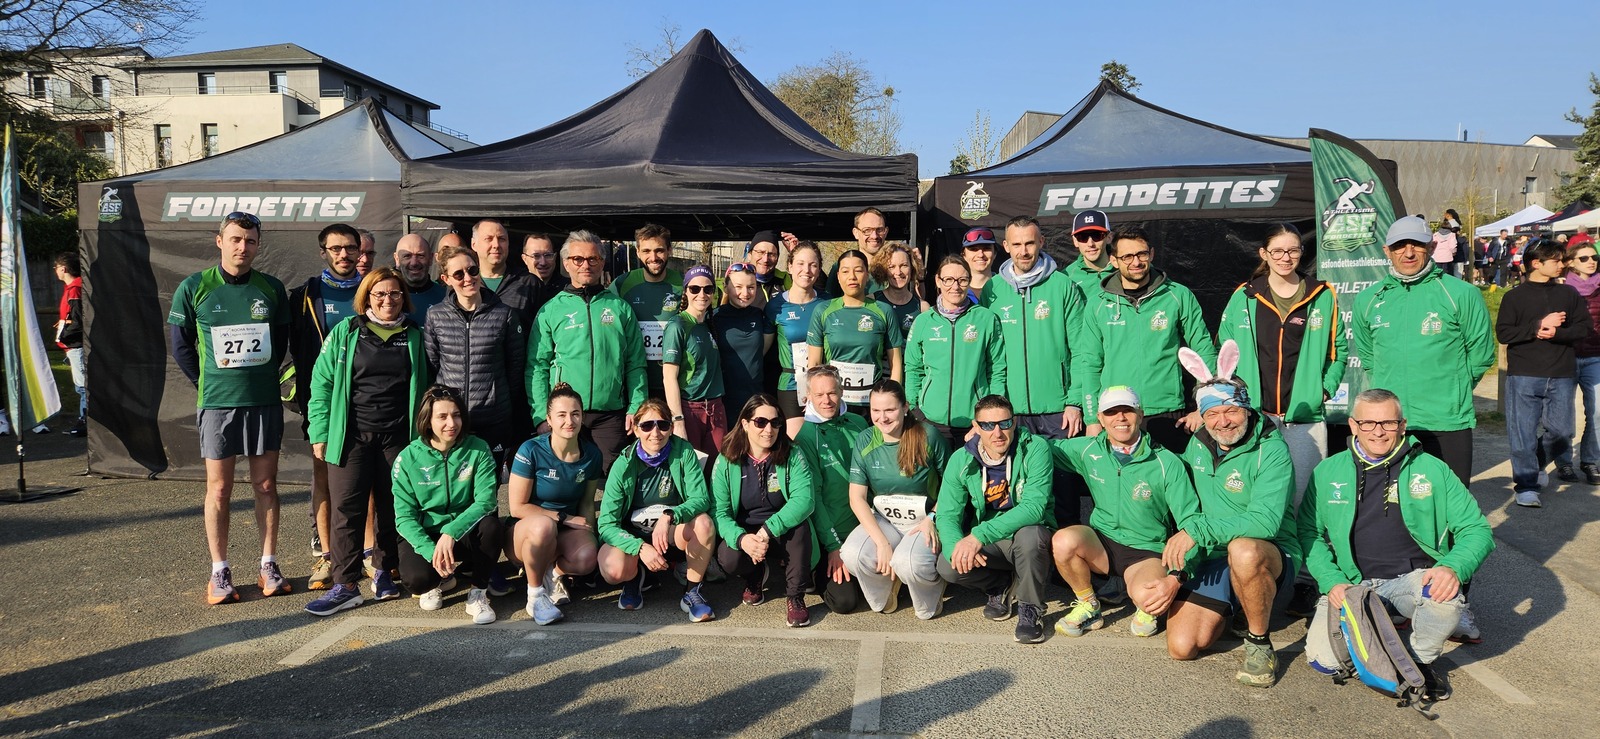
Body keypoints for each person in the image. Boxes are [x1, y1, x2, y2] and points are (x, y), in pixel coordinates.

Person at [1298, 388, 1495, 703]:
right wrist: (1331, 581)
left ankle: (1419, 661)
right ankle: (1381, 631)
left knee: (1444, 596)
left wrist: (1452, 567)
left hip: (1410, 580)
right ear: (1353, 425)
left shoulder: (1432, 469)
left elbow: (1477, 530)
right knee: (1326, 661)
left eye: (1388, 423)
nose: (1378, 432)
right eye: (1368, 423)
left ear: (1402, 426)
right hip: (1352, 585)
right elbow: (1308, 532)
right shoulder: (1328, 471)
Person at [168, 211, 292, 605]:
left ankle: (268, 564)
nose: (243, 247)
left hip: (263, 402)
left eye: (250, 241)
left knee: (266, 485)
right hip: (218, 405)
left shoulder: (271, 288)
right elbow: (180, 345)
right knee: (219, 489)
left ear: (258, 245)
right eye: (236, 239)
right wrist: (207, 383)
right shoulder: (194, 287)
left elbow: (280, 343)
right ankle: (219, 570)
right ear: (219, 241)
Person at [303, 268, 430, 615]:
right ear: (367, 298)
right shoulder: (346, 332)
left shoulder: (414, 335)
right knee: (347, 509)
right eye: (380, 294)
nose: (388, 300)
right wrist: (320, 433)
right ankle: (345, 585)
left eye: (395, 293)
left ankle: (384, 572)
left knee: (392, 506)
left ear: (404, 297)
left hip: (399, 437)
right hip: (351, 436)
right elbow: (322, 384)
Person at [1169, 373, 1300, 688]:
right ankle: (1240, 604)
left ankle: (1259, 642)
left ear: (1247, 409)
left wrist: (1197, 531)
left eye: (1231, 411)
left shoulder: (1272, 450)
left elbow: (1265, 522)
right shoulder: (1198, 443)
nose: (1223, 422)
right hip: (1213, 555)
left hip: (1267, 554)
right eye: (1212, 413)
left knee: (1243, 550)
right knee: (1182, 647)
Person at [1048, 386, 1200, 641]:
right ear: (1100, 418)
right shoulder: (1089, 450)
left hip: (1145, 551)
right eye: (1111, 412)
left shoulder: (1167, 463)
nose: (1120, 418)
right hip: (1102, 544)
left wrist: (1178, 575)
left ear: (1140, 414)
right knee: (1063, 541)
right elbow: (1040, 448)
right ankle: (1089, 605)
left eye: (1127, 410)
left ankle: (1140, 596)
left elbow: (1191, 523)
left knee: (1148, 599)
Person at [1352, 215, 1494, 486]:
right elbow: (1369, 357)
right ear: (1387, 251)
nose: (1408, 253)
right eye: (1399, 246)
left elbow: (1481, 353)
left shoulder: (1461, 293)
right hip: (1390, 423)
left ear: (1431, 247)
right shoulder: (1368, 299)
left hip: (1446, 420)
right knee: (1393, 502)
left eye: (1416, 244)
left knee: (1450, 500)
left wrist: (1454, 390)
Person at [1216, 224, 1346, 496]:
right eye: (1277, 251)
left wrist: (1322, 390)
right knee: (1256, 494)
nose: (1285, 258)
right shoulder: (1245, 295)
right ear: (1264, 254)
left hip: (1304, 416)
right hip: (1255, 415)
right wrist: (1237, 396)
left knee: (1304, 496)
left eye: (1293, 250)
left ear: (1301, 252)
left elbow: (1337, 352)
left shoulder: (1322, 295)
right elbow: (1225, 350)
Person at [980, 214, 1089, 526]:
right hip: (1011, 411)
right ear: (1005, 246)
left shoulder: (1063, 286)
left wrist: (1075, 401)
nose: (1024, 251)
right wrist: (997, 406)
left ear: (1041, 242)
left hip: (1058, 410)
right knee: (1018, 489)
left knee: (1064, 491)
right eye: (1017, 244)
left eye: (1030, 243)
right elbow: (990, 355)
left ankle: (1067, 550)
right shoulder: (993, 290)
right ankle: (1026, 550)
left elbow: (1082, 350)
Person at [1080, 225, 1217, 453]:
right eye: (1127, 256)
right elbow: (1090, 364)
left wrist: (1205, 405)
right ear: (1114, 260)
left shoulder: (1177, 295)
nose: (1136, 262)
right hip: (1118, 413)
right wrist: (1092, 419)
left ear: (1151, 254)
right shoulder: (1098, 304)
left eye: (1141, 254)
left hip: (1167, 411)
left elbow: (1203, 351)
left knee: (1172, 475)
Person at [936, 394, 1056, 643]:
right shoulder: (961, 459)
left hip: (1026, 534)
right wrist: (958, 547)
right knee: (948, 564)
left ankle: (1030, 608)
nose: (998, 432)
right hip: (992, 540)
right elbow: (947, 515)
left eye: (1004, 423)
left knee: (1031, 536)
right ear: (976, 426)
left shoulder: (1035, 448)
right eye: (988, 425)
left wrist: (978, 536)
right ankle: (999, 584)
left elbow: (1034, 508)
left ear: (1014, 422)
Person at [529, 230, 647, 470]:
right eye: (578, 259)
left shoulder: (620, 308)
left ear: (602, 262)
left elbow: (635, 363)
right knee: (566, 480)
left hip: (610, 415)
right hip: (565, 415)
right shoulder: (550, 310)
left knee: (612, 481)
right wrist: (541, 415)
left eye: (593, 259)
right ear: (566, 263)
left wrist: (636, 406)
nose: (585, 265)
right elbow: (537, 366)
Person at [289, 223, 364, 591]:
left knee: (368, 479)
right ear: (323, 252)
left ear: (359, 251)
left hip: (367, 400)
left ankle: (368, 553)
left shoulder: (373, 289)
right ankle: (327, 555)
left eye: (350, 247)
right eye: (336, 249)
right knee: (324, 477)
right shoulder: (305, 295)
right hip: (323, 402)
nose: (343, 254)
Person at [390, 385, 504, 624]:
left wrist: (451, 532)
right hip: (428, 535)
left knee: (492, 527)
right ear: (427, 420)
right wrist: (432, 552)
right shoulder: (407, 458)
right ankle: (437, 581)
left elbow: (486, 501)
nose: (451, 423)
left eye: (456, 415)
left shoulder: (478, 448)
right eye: (442, 417)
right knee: (417, 581)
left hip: (461, 532)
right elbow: (404, 517)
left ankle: (478, 593)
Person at [595, 399, 718, 621]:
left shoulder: (684, 452)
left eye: (662, 425)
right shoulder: (623, 464)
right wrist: (640, 547)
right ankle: (634, 578)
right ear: (635, 429)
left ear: (671, 428)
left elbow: (701, 499)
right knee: (613, 569)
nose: (655, 433)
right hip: (634, 537)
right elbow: (606, 524)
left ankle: (692, 592)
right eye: (646, 426)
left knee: (704, 523)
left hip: (670, 533)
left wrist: (670, 515)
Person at [841, 380, 951, 620]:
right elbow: (857, 497)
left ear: (905, 407)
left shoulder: (928, 435)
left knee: (910, 566)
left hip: (925, 521)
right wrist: (882, 543)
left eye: (890, 410)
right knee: (852, 554)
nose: (882, 418)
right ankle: (888, 586)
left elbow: (952, 485)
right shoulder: (865, 439)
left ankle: (932, 587)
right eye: (876, 410)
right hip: (886, 520)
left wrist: (933, 517)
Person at [1496, 239, 1592, 507]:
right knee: (1522, 434)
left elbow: (1584, 328)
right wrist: (1537, 326)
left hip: (1561, 373)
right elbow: (1504, 333)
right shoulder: (1514, 297)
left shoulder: (1569, 294)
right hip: (1524, 374)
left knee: (1562, 432)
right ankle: (1526, 485)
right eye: (1556, 260)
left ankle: (1537, 462)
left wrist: (1556, 333)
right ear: (1537, 263)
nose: (1562, 265)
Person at [712, 395, 818, 628]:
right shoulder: (726, 459)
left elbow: (805, 501)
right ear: (745, 423)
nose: (769, 429)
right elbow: (719, 513)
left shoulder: (793, 453)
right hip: (747, 531)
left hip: (780, 528)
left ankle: (795, 596)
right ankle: (754, 575)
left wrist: (768, 530)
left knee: (799, 528)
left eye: (775, 422)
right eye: (760, 422)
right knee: (728, 557)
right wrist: (742, 539)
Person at [424, 243, 526, 474]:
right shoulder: (435, 315)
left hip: (494, 417)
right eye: (459, 274)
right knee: (453, 481)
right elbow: (432, 365)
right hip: (451, 419)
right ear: (446, 279)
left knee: (489, 482)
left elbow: (515, 367)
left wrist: (498, 399)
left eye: (472, 270)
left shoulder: (504, 314)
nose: (468, 278)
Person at [507, 383, 605, 625]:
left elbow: (587, 503)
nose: (569, 421)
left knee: (588, 557)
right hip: (525, 533)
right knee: (544, 526)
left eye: (575, 414)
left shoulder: (592, 454)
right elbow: (517, 507)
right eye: (561, 415)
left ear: (582, 417)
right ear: (549, 420)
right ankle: (535, 596)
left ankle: (552, 574)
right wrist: (564, 517)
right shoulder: (530, 449)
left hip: (563, 532)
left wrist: (592, 535)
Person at [791, 364, 871, 613]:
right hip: (833, 534)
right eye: (819, 394)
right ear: (808, 396)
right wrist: (833, 547)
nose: (827, 400)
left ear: (842, 391)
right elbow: (813, 499)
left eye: (832, 393)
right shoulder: (806, 437)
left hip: (865, 526)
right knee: (845, 603)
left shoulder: (859, 423)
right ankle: (813, 575)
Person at [905, 255, 1007, 446]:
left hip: (974, 422)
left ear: (969, 281)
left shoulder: (986, 319)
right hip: (930, 420)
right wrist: (914, 409)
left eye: (962, 280)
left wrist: (990, 415)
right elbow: (913, 368)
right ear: (938, 281)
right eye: (949, 280)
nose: (955, 286)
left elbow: (997, 369)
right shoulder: (923, 321)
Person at [806, 249, 904, 411]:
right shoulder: (823, 311)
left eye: (858, 270)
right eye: (845, 271)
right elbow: (814, 364)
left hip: (872, 405)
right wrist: (812, 399)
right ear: (838, 276)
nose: (852, 276)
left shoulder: (884, 311)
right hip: (833, 403)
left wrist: (893, 401)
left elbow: (896, 364)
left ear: (867, 275)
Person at [610, 223, 683, 401]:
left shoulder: (684, 284)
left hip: (676, 384)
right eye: (646, 251)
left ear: (669, 250)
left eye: (659, 250)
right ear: (637, 252)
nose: (653, 257)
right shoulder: (622, 284)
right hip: (635, 386)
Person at [662, 265, 728, 455]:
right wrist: (678, 420)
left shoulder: (709, 324)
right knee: (691, 467)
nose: (702, 294)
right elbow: (669, 377)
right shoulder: (677, 325)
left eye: (708, 289)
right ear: (686, 291)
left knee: (717, 466)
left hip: (715, 408)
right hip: (690, 409)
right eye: (695, 289)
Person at [768, 241, 828, 433]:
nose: (806, 270)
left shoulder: (828, 303)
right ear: (790, 267)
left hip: (824, 385)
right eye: (800, 264)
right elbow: (761, 350)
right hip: (791, 384)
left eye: (813, 265)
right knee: (796, 442)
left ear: (819, 270)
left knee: (824, 441)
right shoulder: (775, 306)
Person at [1558, 241, 1600, 485]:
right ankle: (1564, 461)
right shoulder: (1561, 289)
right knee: (1563, 414)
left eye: (1594, 257)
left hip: (1595, 356)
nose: (1591, 262)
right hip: (1566, 356)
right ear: (1571, 262)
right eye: (1584, 258)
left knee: (1597, 412)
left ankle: (1590, 460)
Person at [713, 263, 774, 423]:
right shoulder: (715, 318)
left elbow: (761, 352)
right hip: (724, 399)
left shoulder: (760, 316)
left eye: (751, 287)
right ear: (726, 287)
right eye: (738, 287)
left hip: (755, 398)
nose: (745, 293)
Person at [471, 219, 539, 330]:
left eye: (501, 239)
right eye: (489, 239)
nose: (496, 245)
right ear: (474, 244)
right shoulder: (465, 283)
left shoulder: (529, 283)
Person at [52, 252, 86, 436]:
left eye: (56, 267)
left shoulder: (75, 289)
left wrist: (64, 336)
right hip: (74, 344)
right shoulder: (75, 288)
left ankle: (85, 421)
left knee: (82, 386)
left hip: (76, 345)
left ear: (63, 269)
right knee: (81, 385)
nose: (55, 271)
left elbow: (78, 321)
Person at [826, 207, 890, 295]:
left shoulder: (895, 267)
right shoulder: (842, 266)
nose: (874, 236)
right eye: (867, 230)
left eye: (879, 230)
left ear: (886, 232)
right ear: (855, 233)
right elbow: (829, 300)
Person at [871, 244, 928, 336]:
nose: (898, 272)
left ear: (912, 267)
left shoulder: (923, 308)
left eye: (904, 265)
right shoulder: (872, 302)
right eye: (891, 267)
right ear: (883, 270)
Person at [393, 233, 448, 324]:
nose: (414, 263)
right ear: (397, 259)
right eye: (407, 256)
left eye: (420, 256)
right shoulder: (388, 300)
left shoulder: (446, 298)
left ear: (430, 258)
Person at [1063, 209, 1113, 294]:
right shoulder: (1066, 277)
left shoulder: (1125, 269)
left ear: (1109, 237)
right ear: (1075, 241)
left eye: (1097, 236)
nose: (1090, 244)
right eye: (1083, 237)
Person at [519, 232, 566, 317]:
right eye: (536, 256)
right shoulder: (515, 289)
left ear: (555, 257)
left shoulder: (568, 289)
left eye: (548, 255)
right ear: (524, 259)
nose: (543, 262)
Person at [744, 230, 790, 305]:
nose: (765, 259)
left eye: (771, 254)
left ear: (777, 258)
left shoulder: (785, 279)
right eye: (760, 252)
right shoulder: (739, 280)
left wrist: (796, 254)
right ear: (749, 255)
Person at [959, 227, 997, 303]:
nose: (980, 255)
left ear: (995, 253)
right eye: (974, 249)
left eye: (986, 249)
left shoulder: (1006, 286)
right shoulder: (956, 290)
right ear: (963, 255)